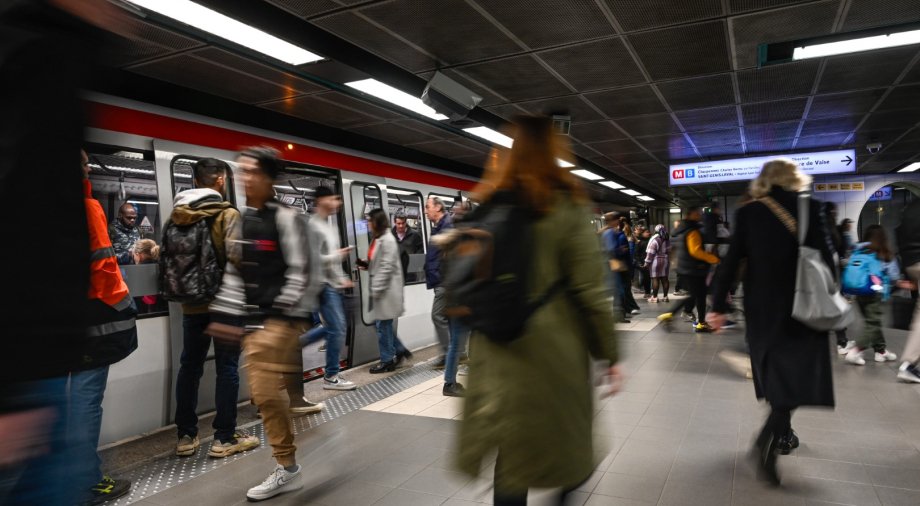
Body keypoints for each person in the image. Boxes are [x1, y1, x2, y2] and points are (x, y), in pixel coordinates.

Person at [455, 117, 622, 506]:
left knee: (511, 456)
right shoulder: (565, 207)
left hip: (495, 345)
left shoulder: (490, 204)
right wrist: (609, 355)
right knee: (568, 443)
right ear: (555, 155)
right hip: (551, 349)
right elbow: (591, 292)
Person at [707, 158, 836, 485]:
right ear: (794, 179)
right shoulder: (812, 208)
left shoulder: (749, 213)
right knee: (800, 373)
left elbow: (731, 260)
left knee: (775, 370)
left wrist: (717, 304)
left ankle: (773, 434)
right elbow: (828, 261)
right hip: (803, 304)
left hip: (763, 307)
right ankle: (770, 434)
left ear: (764, 181)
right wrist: (832, 294)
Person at [208, 147, 315, 501]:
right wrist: (223, 314)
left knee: (267, 392)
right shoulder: (242, 222)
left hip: (283, 320)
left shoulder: (286, 218)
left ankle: (287, 468)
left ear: (269, 177)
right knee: (264, 396)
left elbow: (301, 272)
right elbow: (236, 275)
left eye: (252, 171)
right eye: (242, 170)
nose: (245, 177)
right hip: (256, 322)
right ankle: (289, 468)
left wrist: (277, 312)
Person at [166, 158, 263, 460]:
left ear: (195, 180)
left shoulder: (177, 215)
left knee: (189, 367)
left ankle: (186, 436)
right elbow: (237, 257)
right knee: (227, 368)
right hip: (224, 305)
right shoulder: (226, 213)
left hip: (191, 305)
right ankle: (224, 437)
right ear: (220, 180)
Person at [75, 149, 138, 504]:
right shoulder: (88, 207)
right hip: (88, 322)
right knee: (85, 402)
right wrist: (125, 305)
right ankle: (87, 481)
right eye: (85, 163)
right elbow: (103, 267)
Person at [299, 186, 357, 391]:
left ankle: (295, 345)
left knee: (334, 327)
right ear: (322, 200)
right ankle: (331, 376)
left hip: (331, 283)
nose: (338, 203)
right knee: (338, 328)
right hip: (322, 285)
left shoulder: (327, 225)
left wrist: (342, 278)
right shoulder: (313, 225)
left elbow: (330, 260)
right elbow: (313, 259)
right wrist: (338, 255)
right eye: (335, 199)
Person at [844, 225, 903, 366]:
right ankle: (856, 350)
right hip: (875, 293)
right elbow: (894, 276)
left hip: (859, 292)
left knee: (873, 322)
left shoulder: (858, 251)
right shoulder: (884, 253)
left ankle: (880, 351)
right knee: (872, 324)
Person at [361, 209, 409, 373]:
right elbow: (379, 262)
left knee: (382, 325)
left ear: (377, 222)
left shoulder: (387, 239)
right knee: (382, 325)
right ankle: (399, 350)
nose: (368, 224)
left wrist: (376, 289)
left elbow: (387, 267)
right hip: (383, 290)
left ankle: (387, 361)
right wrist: (367, 265)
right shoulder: (378, 238)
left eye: (370, 221)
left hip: (386, 291)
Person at [658, 207, 719, 332]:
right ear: (690, 214)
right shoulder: (692, 230)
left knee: (699, 295)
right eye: (697, 213)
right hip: (694, 268)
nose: (700, 215)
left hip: (688, 268)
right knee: (695, 295)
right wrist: (713, 259)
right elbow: (695, 251)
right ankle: (669, 314)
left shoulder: (683, 229)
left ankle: (701, 323)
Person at [896, 197, 920, 383]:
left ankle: (908, 364)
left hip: (912, 263)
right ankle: (909, 364)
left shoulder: (911, 206)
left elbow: (899, 233)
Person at [824, 202, 852, 354]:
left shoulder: (820, 229)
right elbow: (840, 251)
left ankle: (842, 341)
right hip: (832, 275)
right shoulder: (833, 230)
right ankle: (842, 342)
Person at [392, 213, 423, 282]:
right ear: (394, 223)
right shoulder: (390, 236)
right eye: (398, 223)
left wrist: (414, 260)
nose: (401, 226)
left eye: (403, 223)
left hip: (410, 272)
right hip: (395, 272)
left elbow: (421, 249)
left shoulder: (415, 235)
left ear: (406, 222)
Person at [645, 224, 670, 303]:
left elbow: (650, 252)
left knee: (655, 279)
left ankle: (655, 297)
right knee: (665, 279)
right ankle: (665, 297)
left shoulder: (655, 239)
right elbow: (670, 251)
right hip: (665, 261)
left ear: (655, 231)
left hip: (655, 261)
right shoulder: (667, 240)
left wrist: (647, 262)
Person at [636, 227, 652, 299]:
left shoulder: (651, 241)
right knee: (646, 278)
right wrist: (639, 262)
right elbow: (637, 253)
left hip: (651, 261)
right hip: (644, 262)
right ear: (642, 233)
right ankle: (647, 292)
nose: (649, 233)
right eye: (647, 232)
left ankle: (650, 292)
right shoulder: (639, 242)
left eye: (649, 232)